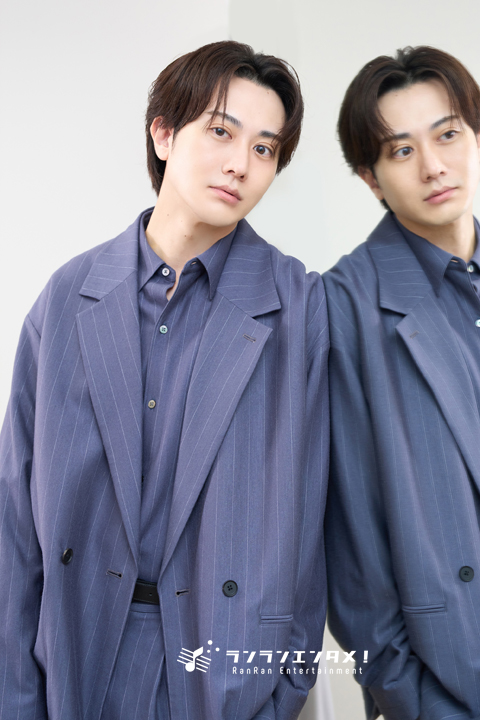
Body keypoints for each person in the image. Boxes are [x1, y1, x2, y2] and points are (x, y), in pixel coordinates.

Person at [0, 41, 329, 720]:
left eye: (265, 149)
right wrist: (17, 697)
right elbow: (15, 521)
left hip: (219, 671)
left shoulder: (301, 309)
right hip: (75, 657)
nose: (241, 164)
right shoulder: (70, 297)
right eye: (221, 132)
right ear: (163, 133)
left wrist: (281, 691)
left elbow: (320, 520)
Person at [324, 45, 480, 720]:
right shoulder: (345, 304)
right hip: (452, 681)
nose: (434, 166)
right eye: (402, 150)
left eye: (448, 135)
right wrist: (414, 700)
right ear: (371, 178)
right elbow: (351, 541)